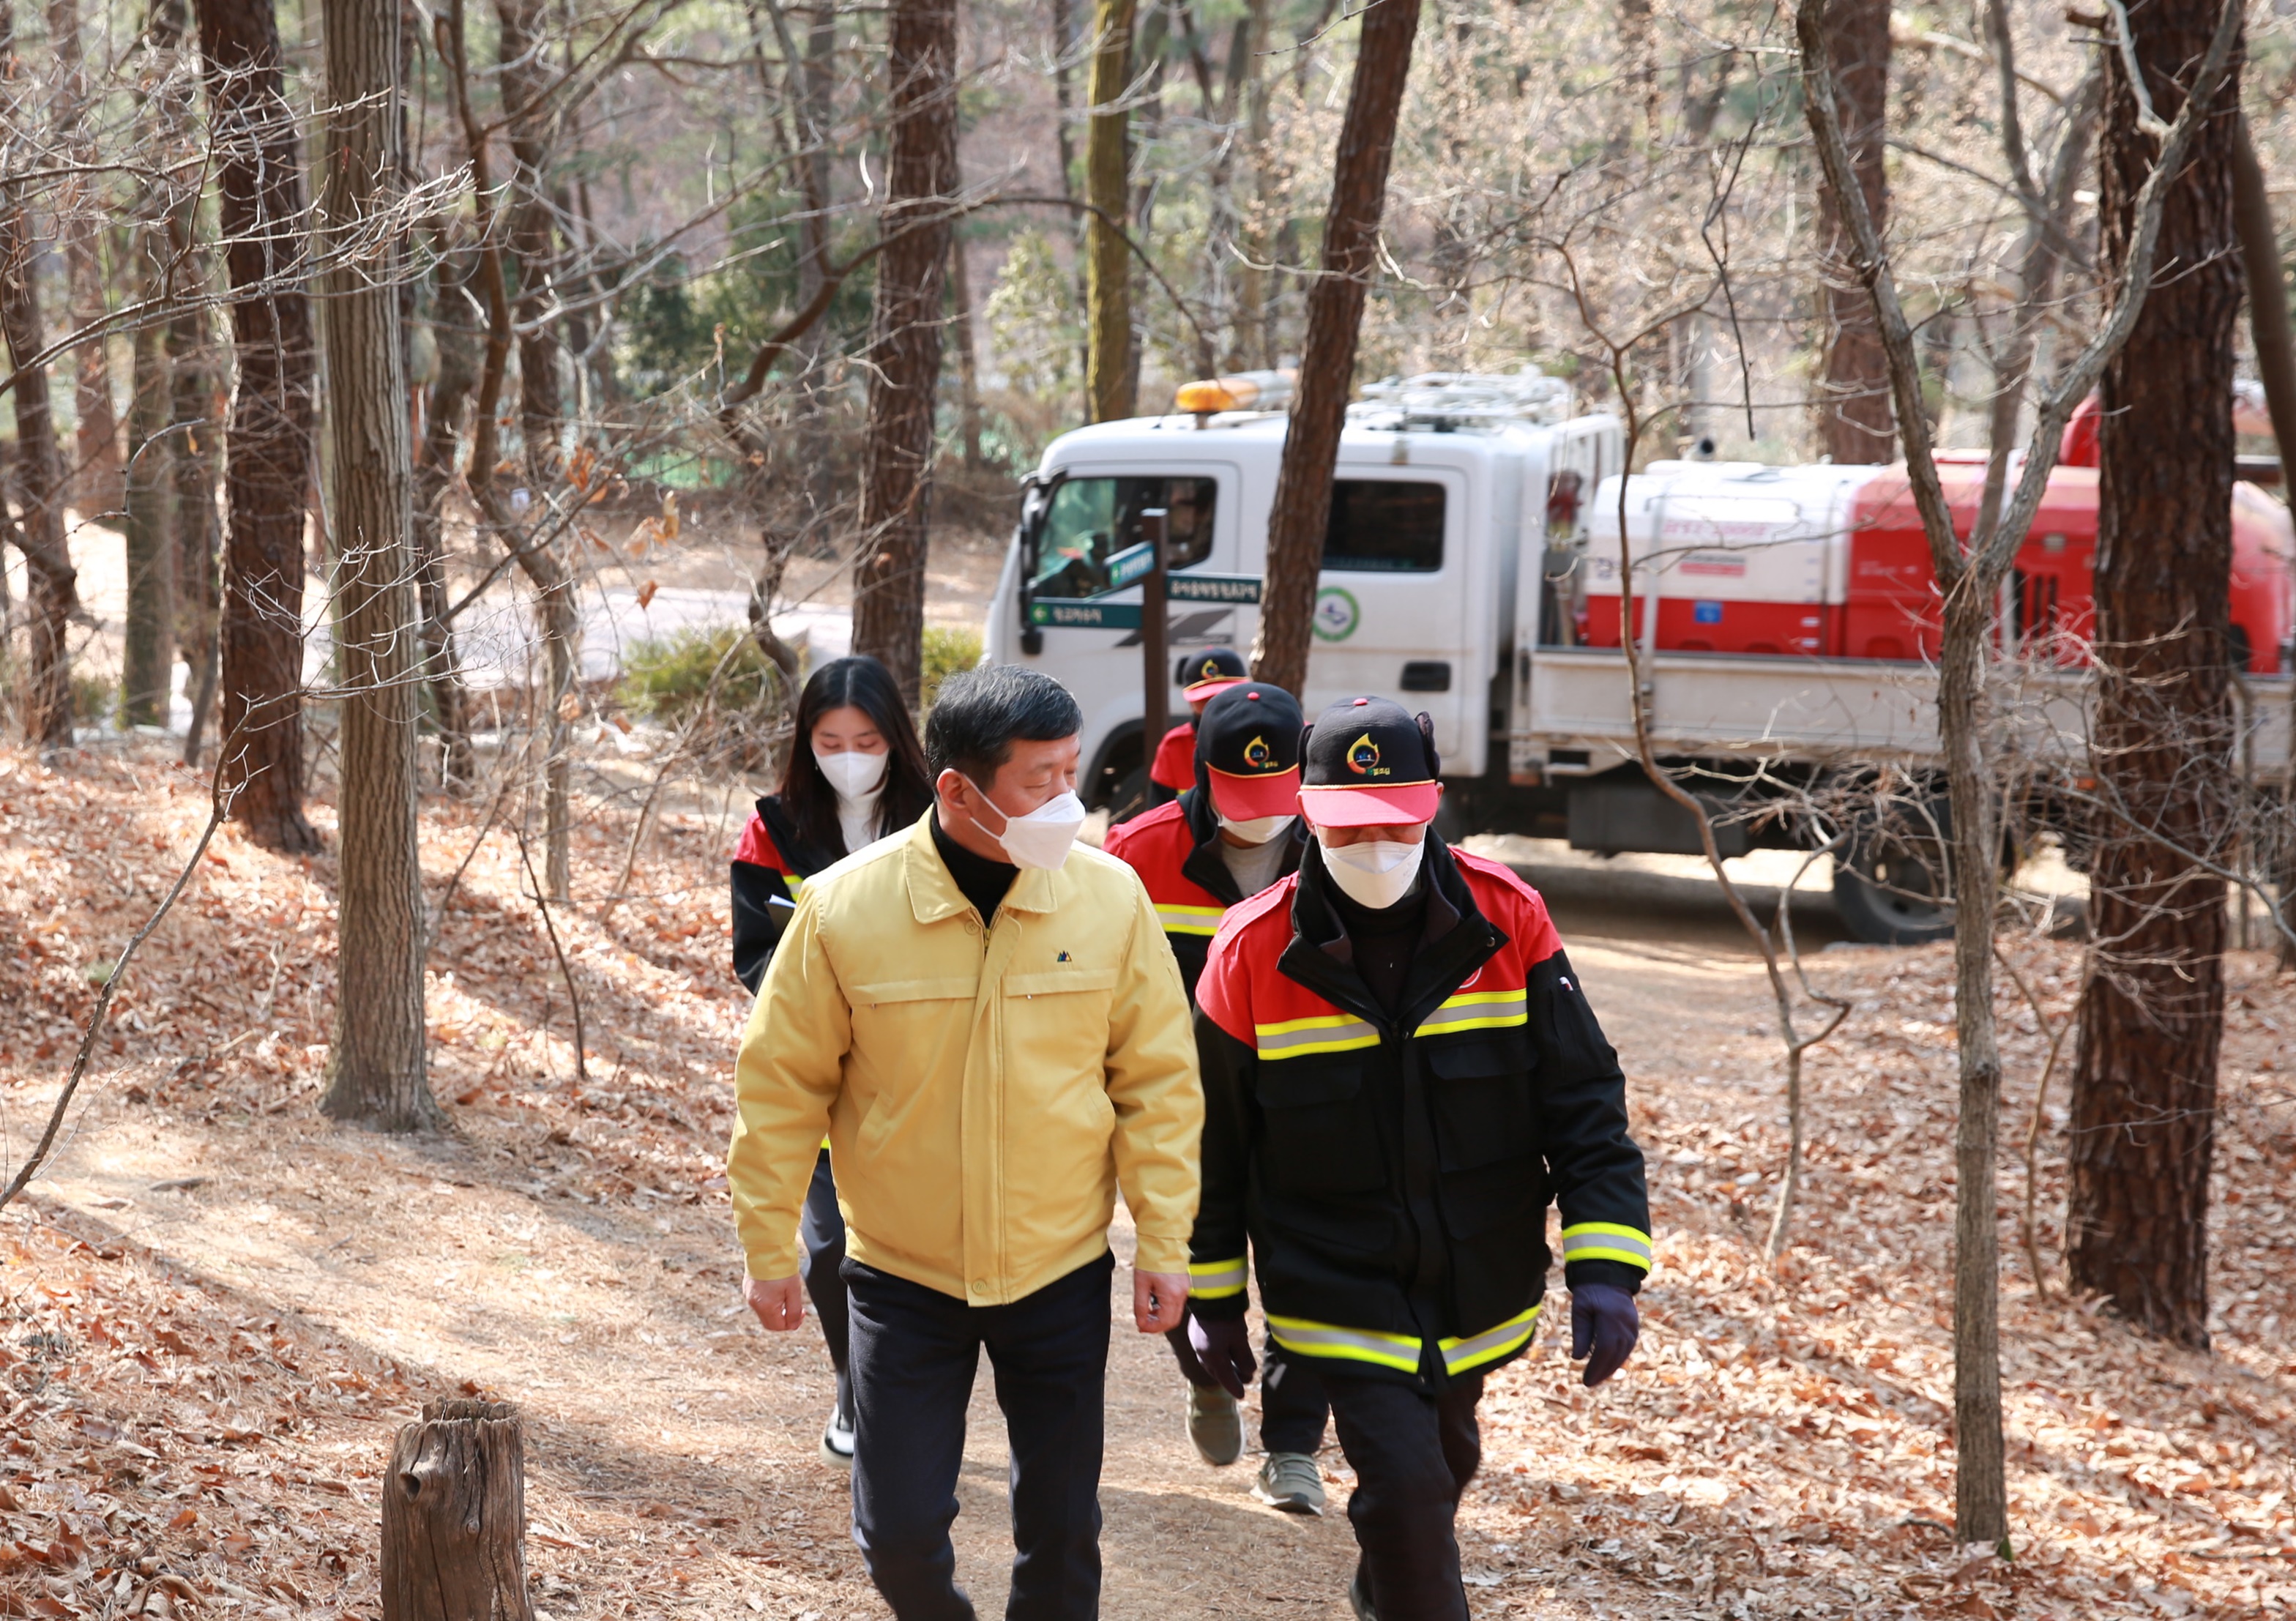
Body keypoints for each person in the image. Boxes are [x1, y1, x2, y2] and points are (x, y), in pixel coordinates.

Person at [727, 663, 1204, 1621]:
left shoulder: (1109, 899)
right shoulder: (844, 908)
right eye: (1041, 779)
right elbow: (783, 1088)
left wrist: (1164, 1239)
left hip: (1058, 1266)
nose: (1067, 800)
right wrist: (768, 1243)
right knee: (897, 1534)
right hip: (904, 1278)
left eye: (1074, 772)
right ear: (957, 789)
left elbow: (1157, 1084)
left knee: (1063, 1534)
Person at [1183, 696, 1651, 1621]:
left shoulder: (1508, 920)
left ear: (1433, 804)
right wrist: (1211, 1296)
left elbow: (1584, 1099)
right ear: (1308, 813)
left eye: (1398, 823)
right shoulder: (1249, 953)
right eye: (1351, 827)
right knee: (1406, 1495)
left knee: (1440, 1472)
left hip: (1480, 1277)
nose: (1377, 846)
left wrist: (1607, 1262)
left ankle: (1385, 1579)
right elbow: (1212, 1143)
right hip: (1331, 1277)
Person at [1103, 682, 1333, 1516]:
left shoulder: (1340, 843)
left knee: (1306, 1271)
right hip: (1177, 1109)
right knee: (1192, 1261)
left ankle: (1293, 1447)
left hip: (1305, 1100)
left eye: (1280, 797)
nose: (1263, 817)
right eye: (1242, 797)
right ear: (1198, 776)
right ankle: (1206, 1379)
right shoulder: (1138, 852)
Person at [729, 654, 935, 1466]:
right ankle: (855, 1388)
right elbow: (752, 953)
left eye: (867, 740)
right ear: (805, 741)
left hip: (916, 1065)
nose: (849, 755)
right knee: (825, 1251)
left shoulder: (934, 815)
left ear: (897, 742)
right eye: (830, 739)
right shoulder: (774, 825)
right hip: (817, 1064)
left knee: (907, 1246)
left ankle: (898, 1392)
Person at [1146, 647, 1250, 797]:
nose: (1215, 705)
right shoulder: (1175, 746)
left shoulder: (1266, 737)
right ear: (1190, 702)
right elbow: (1159, 811)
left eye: (1225, 696)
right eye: (1206, 699)